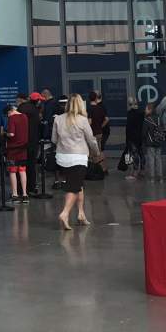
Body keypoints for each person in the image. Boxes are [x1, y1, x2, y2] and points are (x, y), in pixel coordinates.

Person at [53, 94, 101, 230]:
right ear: (81, 105)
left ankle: (81, 214)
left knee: (78, 185)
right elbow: (91, 139)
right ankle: (65, 213)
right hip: (78, 158)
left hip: (62, 158)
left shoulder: (58, 119)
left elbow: (54, 139)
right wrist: (96, 152)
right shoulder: (82, 120)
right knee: (73, 188)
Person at [4, 103, 29, 201]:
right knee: (22, 170)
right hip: (23, 148)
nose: (8, 117)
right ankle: (25, 194)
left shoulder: (12, 118)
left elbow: (11, 134)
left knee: (13, 171)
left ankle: (15, 194)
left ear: (9, 111)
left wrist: (5, 134)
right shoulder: (25, 116)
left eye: (7, 114)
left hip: (13, 149)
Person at [123, 97, 145, 180]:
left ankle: (135, 172)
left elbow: (128, 127)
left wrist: (127, 139)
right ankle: (142, 170)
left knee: (134, 154)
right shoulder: (141, 112)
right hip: (140, 136)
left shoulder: (130, 113)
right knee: (141, 153)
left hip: (132, 137)